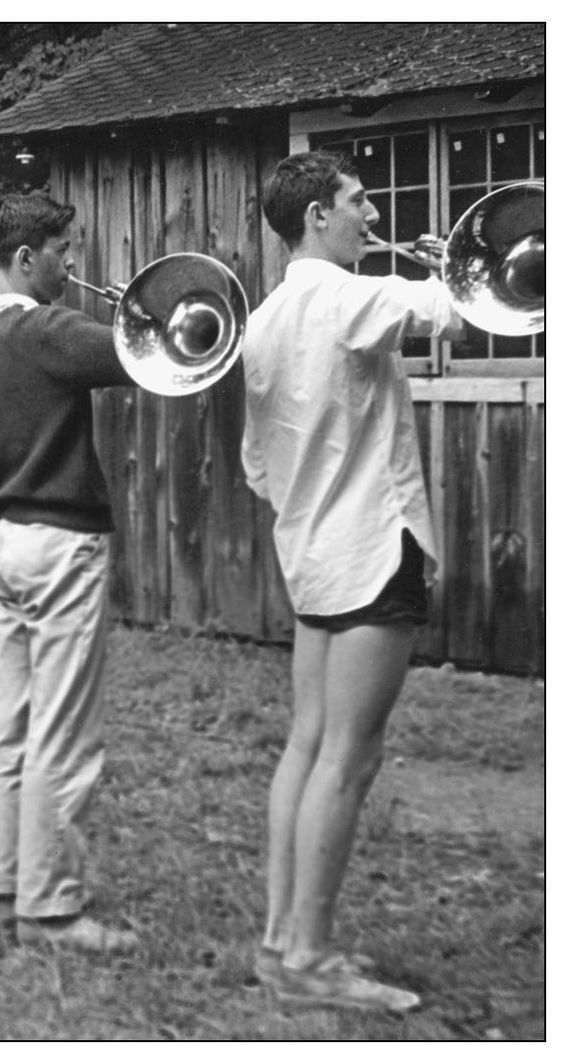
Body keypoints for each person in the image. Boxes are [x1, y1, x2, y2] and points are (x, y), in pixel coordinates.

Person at [242, 150, 464, 1013]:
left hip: (312, 560)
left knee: (308, 744)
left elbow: (260, 468)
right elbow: (455, 308)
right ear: (314, 219)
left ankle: (281, 942)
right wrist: (459, 267)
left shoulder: (261, 320)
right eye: (358, 200)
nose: (371, 214)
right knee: (349, 756)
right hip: (374, 551)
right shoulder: (344, 297)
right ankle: (312, 956)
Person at [0, 192, 140, 955]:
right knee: (63, 732)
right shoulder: (48, 328)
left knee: (12, 728)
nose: (72, 264)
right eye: (65, 249)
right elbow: (148, 357)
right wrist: (146, 312)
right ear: (26, 259)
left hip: (9, 545)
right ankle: (53, 910)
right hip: (63, 543)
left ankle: (5, 888)